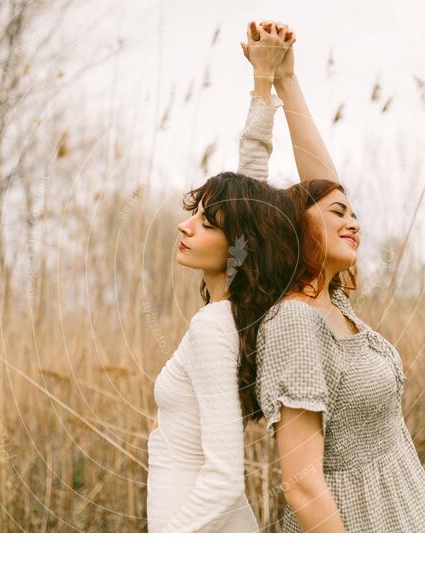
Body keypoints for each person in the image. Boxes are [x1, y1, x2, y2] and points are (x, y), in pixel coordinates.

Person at [240, 20, 425, 533]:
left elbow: (322, 183)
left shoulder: (333, 305)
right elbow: (304, 483)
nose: (352, 219)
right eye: (336, 213)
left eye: (353, 211)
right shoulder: (295, 322)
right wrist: (262, 85)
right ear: (292, 229)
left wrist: (288, 78)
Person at [145, 23, 295, 533]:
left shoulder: (214, 327)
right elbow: (250, 188)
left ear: (238, 248)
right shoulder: (235, 315)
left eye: (208, 223)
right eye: (196, 213)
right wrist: (262, 81)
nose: (186, 226)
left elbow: (226, 478)